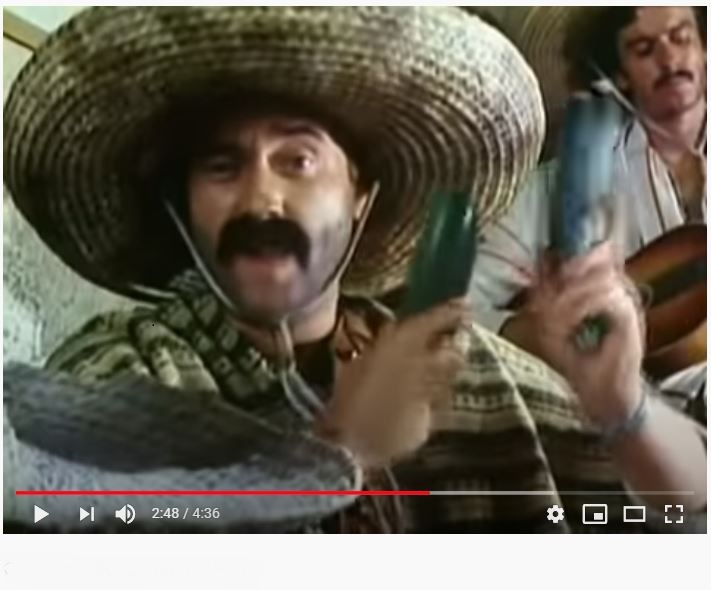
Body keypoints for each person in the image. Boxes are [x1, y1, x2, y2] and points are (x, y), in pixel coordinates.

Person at [4, 6, 706, 533]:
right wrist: (341, 452)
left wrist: (625, 408)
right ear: (181, 209)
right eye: (222, 167)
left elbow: (685, 513)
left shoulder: (473, 371)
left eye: (298, 159)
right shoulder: (122, 371)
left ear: (361, 196)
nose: (262, 197)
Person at [470, 6, 707, 421]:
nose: (670, 59)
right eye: (644, 48)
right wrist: (530, 337)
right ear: (619, 75)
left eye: (681, 37)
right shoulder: (552, 188)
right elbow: (452, 313)